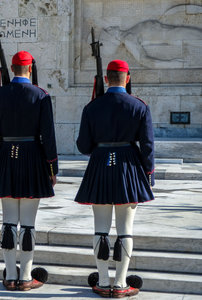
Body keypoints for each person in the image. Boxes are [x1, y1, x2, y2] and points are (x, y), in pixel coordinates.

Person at [75, 60, 154, 298]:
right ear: (127, 78)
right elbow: (148, 146)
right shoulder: (139, 106)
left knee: (100, 229)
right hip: (129, 166)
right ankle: (120, 284)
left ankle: (102, 280)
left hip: (100, 164)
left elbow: (82, 145)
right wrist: (148, 173)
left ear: (106, 79)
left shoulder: (92, 107)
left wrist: (101, 149)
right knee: (125, 230)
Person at [0, 51, 58, 291]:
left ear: (13, 69)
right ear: (30, 69)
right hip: (33, 157)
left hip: (6, 155)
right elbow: (48, 136)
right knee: (28, 222)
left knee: (8, 221)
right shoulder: (41, 96)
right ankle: (26, 276)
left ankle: (10, 274)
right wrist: (52, 167)